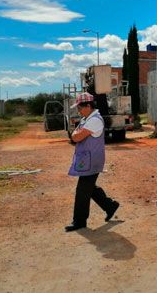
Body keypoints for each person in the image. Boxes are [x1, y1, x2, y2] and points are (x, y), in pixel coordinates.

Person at [65, 92, 119, 232]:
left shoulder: (94, 120)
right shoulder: (87, 118)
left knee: (82, 190)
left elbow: (76, 137)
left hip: (92, 160)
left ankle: (79, 221)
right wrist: (76, 134)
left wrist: (76, 134)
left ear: (88, 106)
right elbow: (75, 135)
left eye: (80, 107)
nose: (78, 110)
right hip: (88, 160)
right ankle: (110, 206)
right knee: (89, 187)